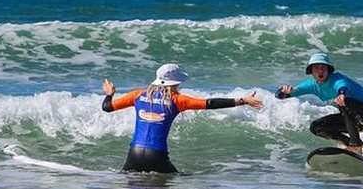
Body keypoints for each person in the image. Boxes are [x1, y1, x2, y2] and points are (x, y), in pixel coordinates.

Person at [101, 63, 263, 173]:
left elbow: (107, 107)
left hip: (134, 154)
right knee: (177, 186)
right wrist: (243, 101)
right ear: (175, 82)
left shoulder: (137, 95)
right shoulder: (177, 100)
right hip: (157, 155)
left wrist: (110, 94)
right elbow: (210, 103)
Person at [275, 53, 363, 155]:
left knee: (343, 102)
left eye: (323, 68)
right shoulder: (312, 85)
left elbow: (341, 86)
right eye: (316, 68)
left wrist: (342, 94)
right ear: (311, 71)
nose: (320, 71)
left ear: (328, 70)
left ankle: (356, 146)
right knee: (317, 127)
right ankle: (350, 144)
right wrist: (284, 91)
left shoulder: (337, 79)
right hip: (355, 121)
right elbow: (281, 96)